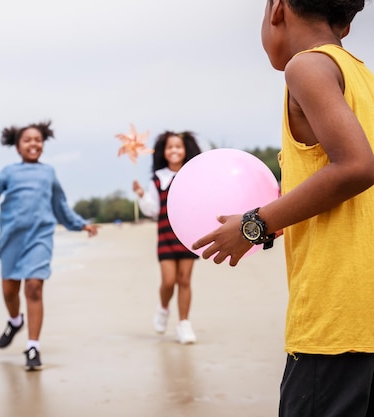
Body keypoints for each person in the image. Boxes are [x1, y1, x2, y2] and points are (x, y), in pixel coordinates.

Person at [192, 1, 374, 415]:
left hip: (336, 321)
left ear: (277, 8)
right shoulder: (363, 77)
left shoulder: (306, 67)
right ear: (345, 24)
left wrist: (253, 225)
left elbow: (358, 167)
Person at [0, 120, 98, 371]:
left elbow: (61, 206)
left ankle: (32, 346)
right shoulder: (8, 172)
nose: (33, 143)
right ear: (17, 146)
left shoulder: (49, 173)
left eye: (38, 140)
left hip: (40, 238)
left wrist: (81, 225)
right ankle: (15, 321)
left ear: (43, 145)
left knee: (34, 288)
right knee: (9, 292)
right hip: (12, 239)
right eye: (27, 140)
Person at [132, 131, 202, 344]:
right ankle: (163, 308)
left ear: (186, 150)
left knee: (185, 280)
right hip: (166, 235)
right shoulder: (158, 178)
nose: (174, 150)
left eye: (178, 147)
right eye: (170, 147)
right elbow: (153, 210)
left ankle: (184, 324)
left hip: (188, 234)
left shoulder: (192, 174)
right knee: (169, 281)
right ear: (163, 151)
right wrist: (141, 194)